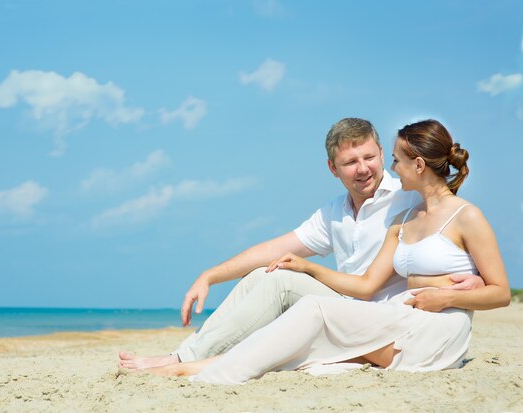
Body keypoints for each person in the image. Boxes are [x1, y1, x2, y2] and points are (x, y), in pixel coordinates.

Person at [145, 119, 510, 384]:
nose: (365, 169)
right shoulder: (362, 213)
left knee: (295, 299)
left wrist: (467, 285)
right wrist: (209, 275)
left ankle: (199, 368)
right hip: (363, 309)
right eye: (351, 162)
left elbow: (476, 268)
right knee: (270, 275)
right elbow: (278, 249)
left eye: (372, 157)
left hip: (402, 321)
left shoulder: (407, 194)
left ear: (386, 154)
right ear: (332, 168)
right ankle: (188, 358)